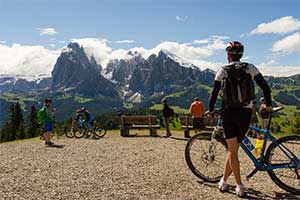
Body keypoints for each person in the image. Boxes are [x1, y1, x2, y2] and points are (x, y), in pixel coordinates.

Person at [206, 41, 272, 197]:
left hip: (228, 112)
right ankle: (223, 180)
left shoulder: (222, 70)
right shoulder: (250, 67)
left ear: (228, 55)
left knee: (233, 151)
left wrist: (210, 110)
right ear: (241, 54)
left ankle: (239, 185)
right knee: (233, 150)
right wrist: (268, 104)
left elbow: (214, 93)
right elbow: (265, 87)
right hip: (245, 113)